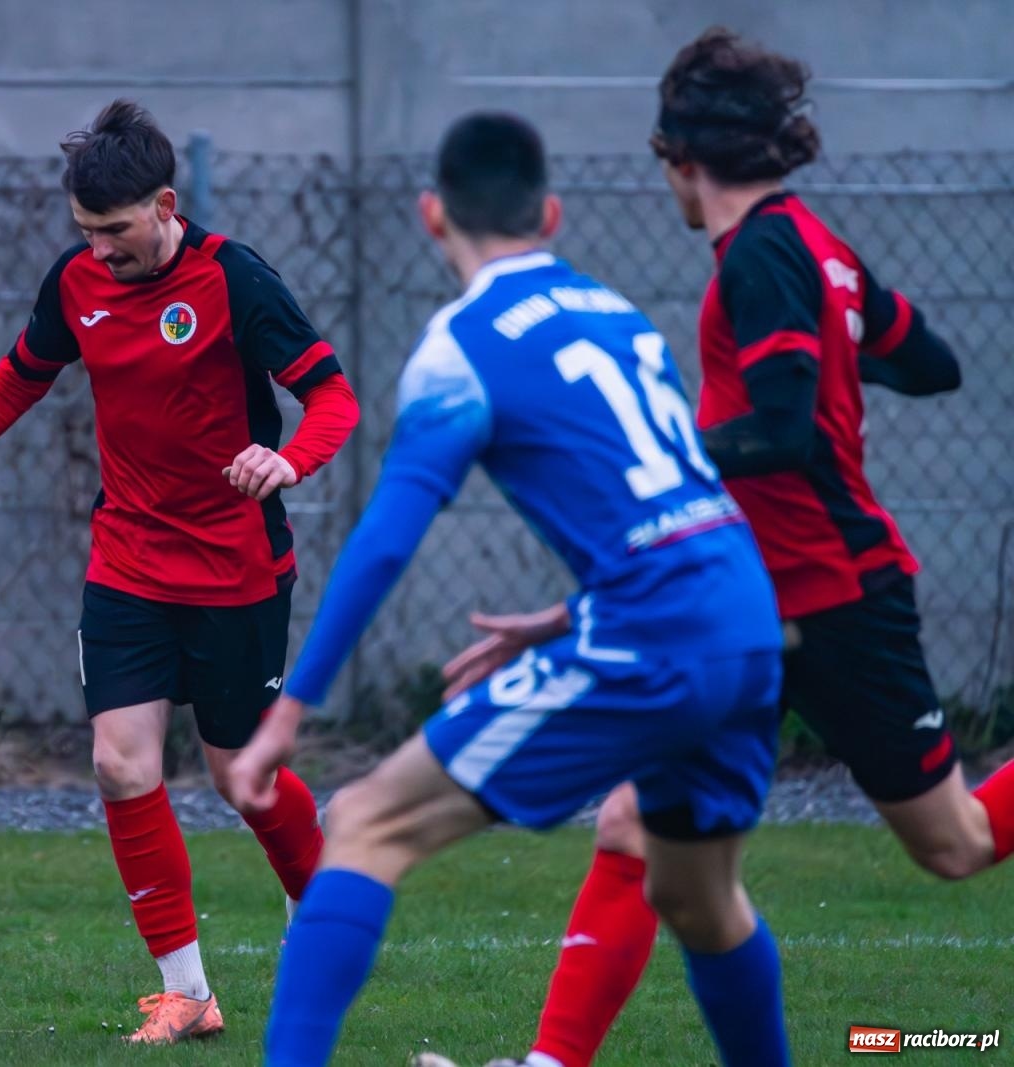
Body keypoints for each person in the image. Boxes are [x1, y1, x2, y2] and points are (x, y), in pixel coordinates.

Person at [474, 27, 1014, 1067]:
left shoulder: (764, 254)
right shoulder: (816, 247)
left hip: (837, 594)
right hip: (748, 603)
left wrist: (659, 449)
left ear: (681, 156)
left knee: (957, 844)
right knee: (637, 832)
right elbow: (931, 362)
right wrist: (843, 343)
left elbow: (782, 430)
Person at [228, 111, 791, 1067]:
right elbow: (677, 507)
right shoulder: (620, 315)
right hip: (747, 624)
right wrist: (572, 616)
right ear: (552, 215)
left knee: (364, 822)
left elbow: (384, 540)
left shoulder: (462, 346)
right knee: (701, 899)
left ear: (432, 215)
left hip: (654, 636)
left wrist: (290, 714)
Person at [0, 99, 360, 1044]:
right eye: (85, 230)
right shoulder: (77, 281)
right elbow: (20, 376)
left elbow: (331, 395)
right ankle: (187, 993)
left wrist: (289, 460)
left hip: (235, 568)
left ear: (165, 205)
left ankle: (325, 900)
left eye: (115, 230)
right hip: (129, 559)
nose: (98, 249)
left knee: (245, 780)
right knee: (119, 762)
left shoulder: (235, 279)